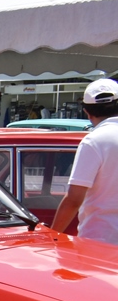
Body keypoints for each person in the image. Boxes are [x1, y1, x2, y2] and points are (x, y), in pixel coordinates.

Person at [51, 78, 118, 243]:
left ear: (87, 112)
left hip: (100, 240)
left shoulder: (94, 141)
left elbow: (74, 199)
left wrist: (51, 236)